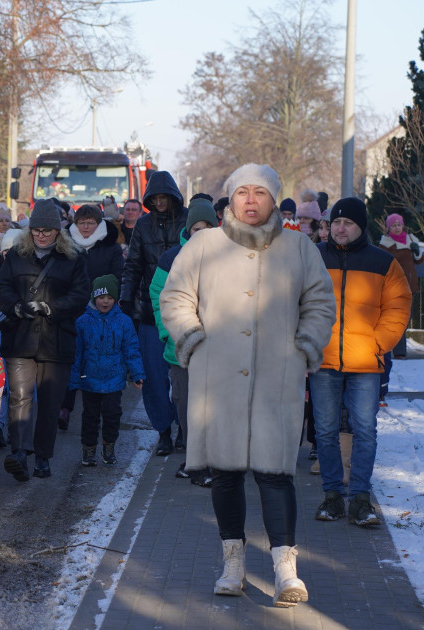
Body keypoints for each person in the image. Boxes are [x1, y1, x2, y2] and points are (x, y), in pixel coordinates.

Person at [159, 164, 335, 606]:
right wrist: (194, 338)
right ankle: (233, 564)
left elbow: (319, 301)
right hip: (218, 380)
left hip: (278, 378)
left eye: (260, 192)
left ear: (275, 199)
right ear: (231, 199)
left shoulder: (299, 248)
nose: (251, 200)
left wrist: (304, 347)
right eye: (242, 193)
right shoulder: (204, 246)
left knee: (277, 475)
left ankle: (285, 571)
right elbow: (175, 296)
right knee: (226, 474)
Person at [312, 198, 411, 527]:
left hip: (365, 363)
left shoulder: (382, 262)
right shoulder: (313, 258)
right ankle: (332, 497)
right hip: (322, 361)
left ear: (361, 227)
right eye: (336, 222)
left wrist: (378, 344)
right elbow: (292, 300)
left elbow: (398, 305)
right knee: (325, 432)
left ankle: (359, 499)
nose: (340, 228)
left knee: (365, 431)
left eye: (348, 223)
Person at [0, 199, 90, 480]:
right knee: (20, 398)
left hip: (56, 341)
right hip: (20, 337)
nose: (41, 235)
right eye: (37, 230)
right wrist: (17, 307)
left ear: (58, 231)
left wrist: (51, 308)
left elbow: (81, 295)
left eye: (47, 230)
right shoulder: (16, 256)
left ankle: (43, 457)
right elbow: (1, 286)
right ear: (30, 230)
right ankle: (20, 453)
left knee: (49, 402)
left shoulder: (73, 259)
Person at [149, 197, 219, 487]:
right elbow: (159, 299)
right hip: (181, 350)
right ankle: (195, 461)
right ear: (188, 230)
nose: (200, 232)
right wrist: (171, 333)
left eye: (207, 227)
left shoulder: (228, 257)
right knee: (186, 406)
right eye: (196, 227)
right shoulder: (171, 258)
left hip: (217, 350)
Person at [120, 171, 188, 456]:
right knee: (153, 377)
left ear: (173, 196)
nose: (160, 203)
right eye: (155, 198)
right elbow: (134, 264)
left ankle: (185, 427)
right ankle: (163, 431)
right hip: (148, 311)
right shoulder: (143, 226)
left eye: (164, 198)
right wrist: (126, 299)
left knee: (184, 377)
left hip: (185, 310)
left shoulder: (187, 221)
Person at [58, 203, 124, 430]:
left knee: (96, 358)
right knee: (72, 358)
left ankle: (100, 406)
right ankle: (65, 408)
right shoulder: (65, 245)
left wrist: (103, 298)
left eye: (90, 223)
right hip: (72, 309)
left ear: (99, 224)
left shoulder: (111, 248)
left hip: (100, 310)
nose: (86, 227)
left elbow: (117, 277)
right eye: (82, 223)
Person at [69, 275, 144, 467]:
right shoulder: (83, 322)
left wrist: (137, 374)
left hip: (114, 379)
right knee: (90, 416)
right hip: (90, 379)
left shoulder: (124, 322)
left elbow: (131, 349)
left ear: (115, 299)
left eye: (109, 297)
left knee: (112, 415)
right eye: (101, 297)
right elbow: (77, 353)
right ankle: (89, 449)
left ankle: (109, 446)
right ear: (94, 297)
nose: (105, 301)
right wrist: (74, 379)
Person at [378, 213, 422, 360]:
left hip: (411, 284)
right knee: (397, 318)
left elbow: (419, 260)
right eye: (393, 225)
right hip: (394, 286)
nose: (397, 228)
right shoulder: (385, 244)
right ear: (388, 228)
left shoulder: (411, 240)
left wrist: (417, 251)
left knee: (405, 319)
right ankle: (399, 352)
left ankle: (396, 348)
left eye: (399, 225)